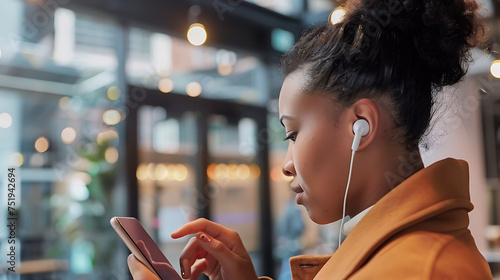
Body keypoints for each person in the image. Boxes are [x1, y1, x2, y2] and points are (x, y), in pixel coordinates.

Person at [128, 0, 493, 278]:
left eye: (293, 133)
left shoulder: (420, 268)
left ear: (360, 124)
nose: (287, 164)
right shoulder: (409, 252)